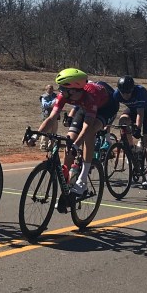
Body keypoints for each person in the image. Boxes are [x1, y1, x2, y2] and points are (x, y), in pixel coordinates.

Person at [29, 68, 118, 205]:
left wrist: (77, 145)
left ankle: (82, 181)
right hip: (84, 108)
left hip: (106, 108)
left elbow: (87, 127)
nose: (60, 91)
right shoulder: (64, 95)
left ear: (75, 90)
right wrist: (35, 136)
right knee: (69, 140)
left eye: (63, 88)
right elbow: (51, 118)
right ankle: (68, 184)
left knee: (90, 133)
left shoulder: (90, 95)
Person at [115, 76, 147, 186]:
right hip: (133, 109)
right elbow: (113, 110)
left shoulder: (140, 92)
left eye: (128, 93)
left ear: (132, 90)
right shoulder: (116, 94)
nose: (125, 96)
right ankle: (132, 149)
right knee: (123, 120)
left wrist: (138, 128)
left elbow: (140, 114)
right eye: (123, 93)